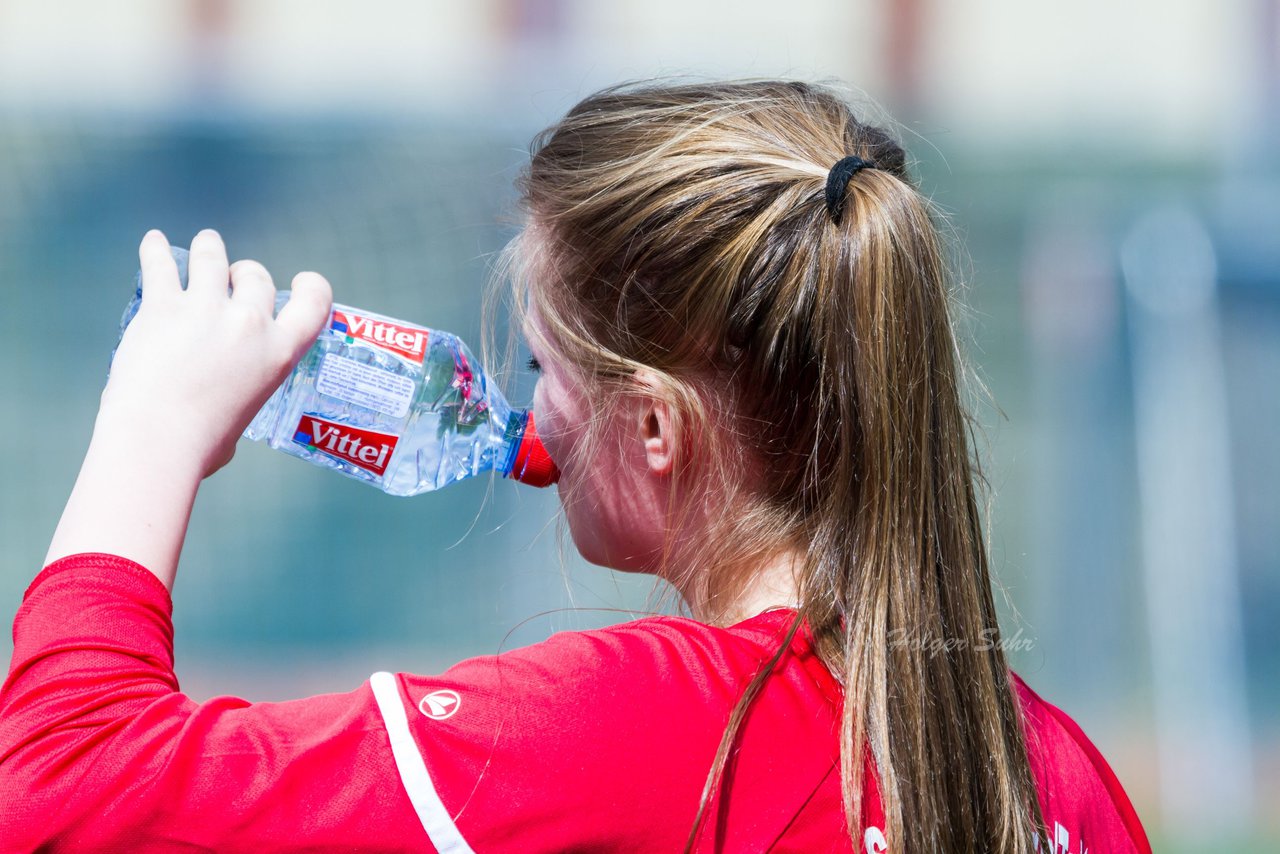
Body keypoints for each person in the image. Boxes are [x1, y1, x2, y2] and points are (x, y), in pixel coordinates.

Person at [0, 81, 1150, 853]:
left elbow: (57, 792)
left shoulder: (620, 726)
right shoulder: (1060, 776)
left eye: (548, 362)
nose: (529, 403)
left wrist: (148, 428)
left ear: (654, 427)